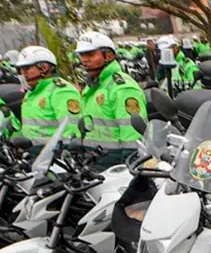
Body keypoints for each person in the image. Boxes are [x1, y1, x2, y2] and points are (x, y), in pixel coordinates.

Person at [75, 31, 148, 168]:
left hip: (116, 165)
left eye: (90, 54)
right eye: (82, 55)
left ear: (108, 56)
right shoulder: (91, 87)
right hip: (94, 162)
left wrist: (129, 168)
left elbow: (132, 135)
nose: (84, 60)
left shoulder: (122, 87)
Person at [14, 45, 83, 147]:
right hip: (33, 155)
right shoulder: (31, 93)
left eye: (26, 68)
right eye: (20, 69)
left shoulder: (61, 91)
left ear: (44, 68)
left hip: (54, 155)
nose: (23, 73)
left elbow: (71, 130)